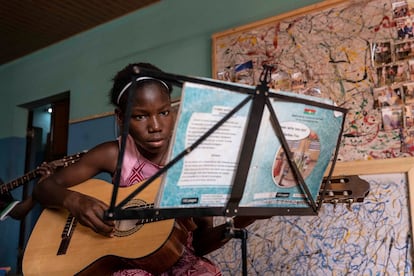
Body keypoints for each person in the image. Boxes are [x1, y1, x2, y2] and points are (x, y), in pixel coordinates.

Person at [34, 62, 267, 275]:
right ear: (120, 118)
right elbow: (44, 189)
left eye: (164, 112)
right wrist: (75, 202)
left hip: (173, 258)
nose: (155, 126)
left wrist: (234, 225)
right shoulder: (112, 154)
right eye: (140, 116)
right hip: (124, 262)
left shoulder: (194, 162)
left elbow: (200, 242)